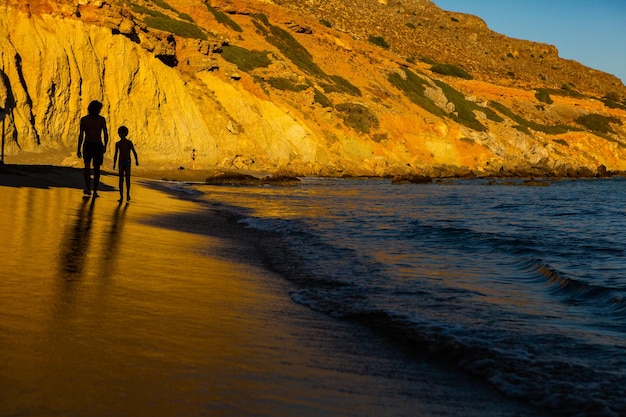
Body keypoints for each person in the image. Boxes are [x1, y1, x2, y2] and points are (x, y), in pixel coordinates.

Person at [77, 100, 108, 197]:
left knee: (97, 169)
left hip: (98, 145)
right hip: (88, 144)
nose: (98, 111)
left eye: (99, 109)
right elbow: (81, 135)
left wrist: (105, 146)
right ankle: (88, 188)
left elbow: (106, 134)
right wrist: (78, 148)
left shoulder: (102, 120)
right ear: (92, 109)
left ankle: (94, 190)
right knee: (87, 168)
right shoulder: (84, 120)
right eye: (97, 109)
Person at [112, 125, 139, 202]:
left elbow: (134, 152)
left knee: (127, 179)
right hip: (121, 162)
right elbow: (116, 154)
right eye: (120, 133)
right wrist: (114, 163)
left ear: (126, 133)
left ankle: (127, 195)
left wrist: (136, 160)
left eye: (123, 133)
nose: (121, 135)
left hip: (127, 162)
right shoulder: (118, 143)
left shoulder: (129, 143)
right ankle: (121, 196)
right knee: (121, 179)